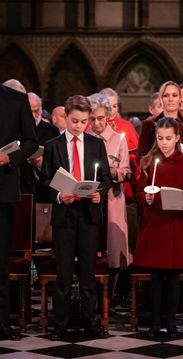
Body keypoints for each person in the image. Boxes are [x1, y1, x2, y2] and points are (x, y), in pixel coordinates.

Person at [40, 95, 112, 340]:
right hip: (65, 215)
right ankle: (60, 325)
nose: (79, 126)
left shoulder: (96, 144)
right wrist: (60, 195)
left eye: (83, 122)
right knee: (63, 273)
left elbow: (105, 178)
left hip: (88, 215)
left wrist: (99, 194)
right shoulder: (53, 145)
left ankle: (91, 324)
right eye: (74, 121)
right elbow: (45, 179)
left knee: (88, 274)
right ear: (66, 117)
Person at [133, 117, 183, 336]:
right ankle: (154, 323)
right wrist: (146, 199)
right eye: (160, 138)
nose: (164, 143)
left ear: (177, 138)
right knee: (156, 278)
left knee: (174, 279)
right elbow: (140, 191)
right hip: (156, 224)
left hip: (176, 224)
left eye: (169, 138)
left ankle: (171, 323)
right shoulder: (149, 160)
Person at [0, 83, 38, 340]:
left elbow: (31, 142)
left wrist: (9, 159)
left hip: (2, 190)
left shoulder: (15, 99)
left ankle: (2, 324)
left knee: (0, 262)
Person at [87, 93, 132, 302]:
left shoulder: (118, 139)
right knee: (92, 247)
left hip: (113, 198)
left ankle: (109, 299)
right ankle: (91, 297)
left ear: (108, 117)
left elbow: (126, 170)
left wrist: (114, 172)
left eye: (101, 119)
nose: (96, 123)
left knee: (114, 251)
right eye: (92, 118)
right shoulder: (85, 137)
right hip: (90, 198)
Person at [136, 81, 183, 168]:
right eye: (166, 96)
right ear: (161, 99)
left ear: (179, 99)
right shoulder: (149, 125)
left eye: (174, 95)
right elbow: (140, 157)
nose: (170, 99)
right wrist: (153, 162)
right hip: (157, 175)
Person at [20, 92, 59, 201]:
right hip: (21, 187)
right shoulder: (16, 130)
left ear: (41, 109)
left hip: (44, 189)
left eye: (36, 111)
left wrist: (42, 162)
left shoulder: (52, 131)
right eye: (30, 111)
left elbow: (59, 162)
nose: (33, 115)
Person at [99, 88, 139, 152]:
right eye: (108, 106)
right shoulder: (94, 124)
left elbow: (135, 152)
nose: (112, 110)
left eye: (114, 106)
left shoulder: (126, 125)